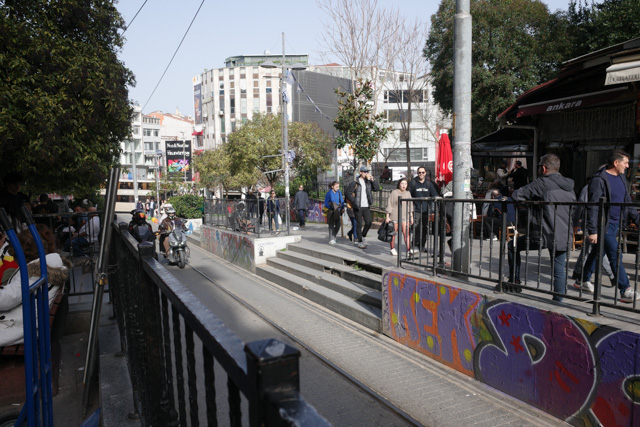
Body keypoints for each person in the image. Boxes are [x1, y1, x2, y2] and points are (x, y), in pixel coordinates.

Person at [506, 154, 575, 301]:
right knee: (559, 270)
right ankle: (558, 302)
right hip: (563, 232)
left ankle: (514, 280)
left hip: (544, 232)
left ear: (543, 168)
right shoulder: (569, 186)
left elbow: (518, 195)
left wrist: (530, 202)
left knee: (513, 245)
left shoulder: (542, 183)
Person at [579, 150, 640, 302]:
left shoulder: (622, 179)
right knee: (615, 254)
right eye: (625, 163)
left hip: (616, 224)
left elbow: (627, 202)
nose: (627, 166)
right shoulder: (599, 179)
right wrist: (593, 230)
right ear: (616, 162)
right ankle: (625, 290)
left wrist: (637, 219)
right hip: (603, 225)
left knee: (597, 252)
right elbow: (593, 206)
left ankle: (583, 279)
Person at [571, 178, 615, 288]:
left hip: (598, 223)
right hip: (590, 223)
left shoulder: (606, 188)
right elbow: (581, 205)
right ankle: (612, 275)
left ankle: (578, 272)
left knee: (590, 249)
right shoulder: (588, 188)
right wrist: (576, 221)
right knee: (597, 249)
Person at [346, 165, 380, 249]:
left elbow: (376, 189)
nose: (366, 173)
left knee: (368, 223)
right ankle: (360, 241)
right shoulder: (355, 182)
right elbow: (347, 193)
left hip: (366, 206)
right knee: (359, 224)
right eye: (364, 172)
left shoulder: (368, 182)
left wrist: (372, 180)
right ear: (360, 172)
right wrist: (354, 201)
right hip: (358, 206)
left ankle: (363, 236)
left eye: (367, 172)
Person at [409, 166, 439, 252]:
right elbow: (408, 195)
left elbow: (434, 194)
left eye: (423, 172)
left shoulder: (429, 184)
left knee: (425, 228)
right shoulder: (413, 183)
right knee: (416, 227)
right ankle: (414, 245)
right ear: (417, 173)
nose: (421, 174)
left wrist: (437, 199)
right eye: (419, 172)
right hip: (416, 209)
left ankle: (422, 245)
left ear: (425, 173)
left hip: (426, 210)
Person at [385, 178, 414, 256]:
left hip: (405, 216)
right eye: (402, 183)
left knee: (406, 234)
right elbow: (390, 204)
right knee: (393, 234)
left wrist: (411, 216)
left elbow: (410, 205)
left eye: (405, 184)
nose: (404, 185)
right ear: (399, 184)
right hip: (395, 216)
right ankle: (392, 248)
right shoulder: (394, 192)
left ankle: (408, 249)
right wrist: (387, 216)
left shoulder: (408, 193)